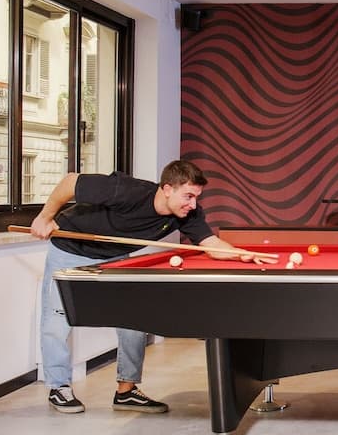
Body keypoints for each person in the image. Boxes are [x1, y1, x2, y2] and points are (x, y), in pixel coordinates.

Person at [31, 159, 274, 414]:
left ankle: (126, 392)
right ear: (167, 189)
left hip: (115, 257)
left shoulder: (187, 214)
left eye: (196, 197)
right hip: (70, 250)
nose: (193, 204)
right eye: (188, 196)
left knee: (132, 320)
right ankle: (59, 387)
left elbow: (211, 244)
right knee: (57, 319)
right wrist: (44, 217)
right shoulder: (127, 191)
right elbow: (71, 181)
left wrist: (242, 255)